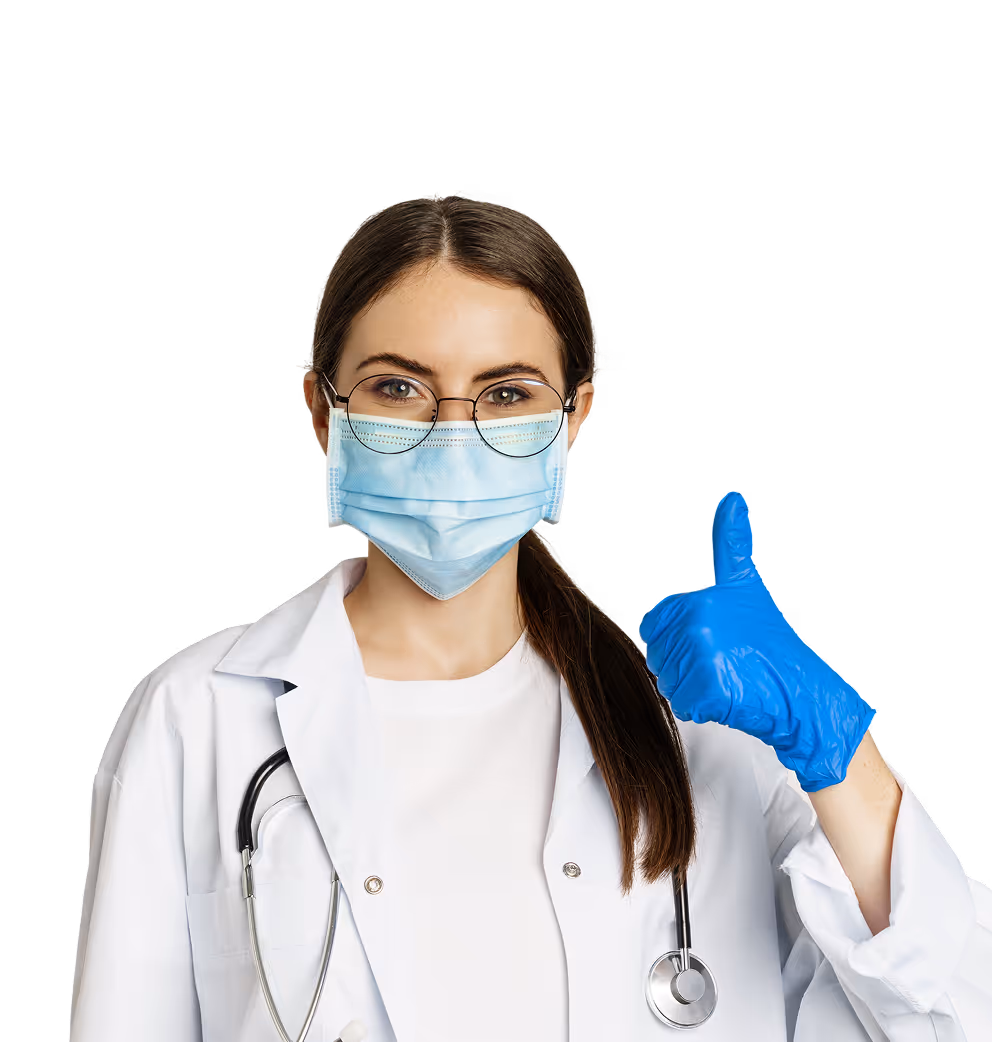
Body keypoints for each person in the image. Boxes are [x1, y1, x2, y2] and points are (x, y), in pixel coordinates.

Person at [70, 191, 990, 1041]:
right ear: (322, 410)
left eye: (506, 395)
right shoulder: (197, 717)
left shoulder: (706, 732)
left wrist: (838, 752)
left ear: (574, 416)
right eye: (399, 388)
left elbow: (952, 1016)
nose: (452, 433)